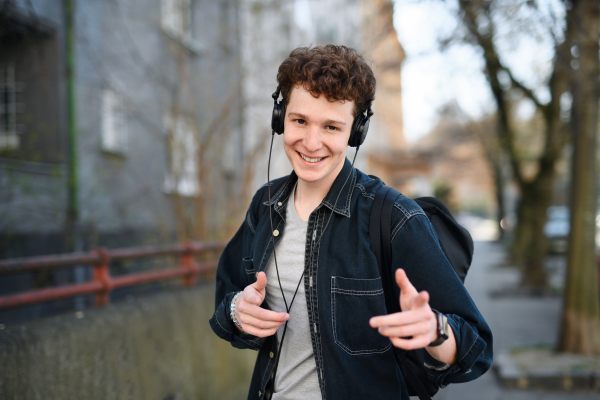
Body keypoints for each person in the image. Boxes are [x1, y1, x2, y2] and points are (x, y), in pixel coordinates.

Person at [209, 45, 492, 400]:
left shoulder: (394, 218)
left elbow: (476, 348)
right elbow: (227, 301)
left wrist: (436, 331)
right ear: (280, 117)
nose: (311, 143)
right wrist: (238, 311)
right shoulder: (264, 205)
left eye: (331, 126)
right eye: (299, 121)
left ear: (355, 131)